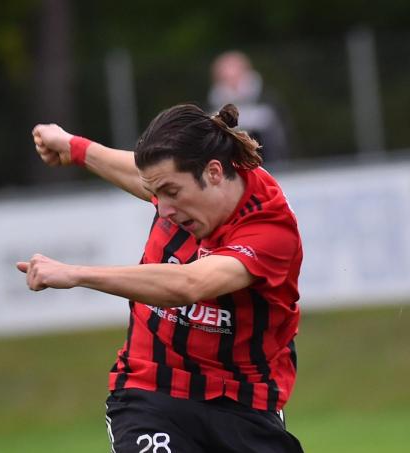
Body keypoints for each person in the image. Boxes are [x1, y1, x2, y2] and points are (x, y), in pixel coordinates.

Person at [21, 103, 304, 453]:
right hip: (151, 392)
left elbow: (189, 285)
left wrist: (76, 273)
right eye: (157, 194)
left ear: (214, 173)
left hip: (244, 405)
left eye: (171, 193)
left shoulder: (270, 228)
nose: (163, 208)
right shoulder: (184, 188)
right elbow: (142, 175)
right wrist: (72, 146)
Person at [208, 51, 290, 164]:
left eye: (236, 76)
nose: (233, 83)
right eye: (226, 78)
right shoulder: (213, 108)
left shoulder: (268, 99)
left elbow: (280, 140)